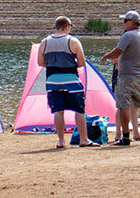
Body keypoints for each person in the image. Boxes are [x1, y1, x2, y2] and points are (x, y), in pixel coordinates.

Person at [38, 16, 99, 148]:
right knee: (79, 110)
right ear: (67, 26)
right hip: (71, 79)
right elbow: (81, 62)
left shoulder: (45, 42)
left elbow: (40, 62)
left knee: (58, 112)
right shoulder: (73, 41)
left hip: (52, 80)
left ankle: (61, 141)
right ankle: (83, 139)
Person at [101, 10, 140, 146]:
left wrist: (106, 56)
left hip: (126, 76)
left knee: (123, 106)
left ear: (132, 22)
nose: (124, 24)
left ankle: (125, 137)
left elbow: (118, 51)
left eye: (125, 21)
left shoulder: (128, 35)